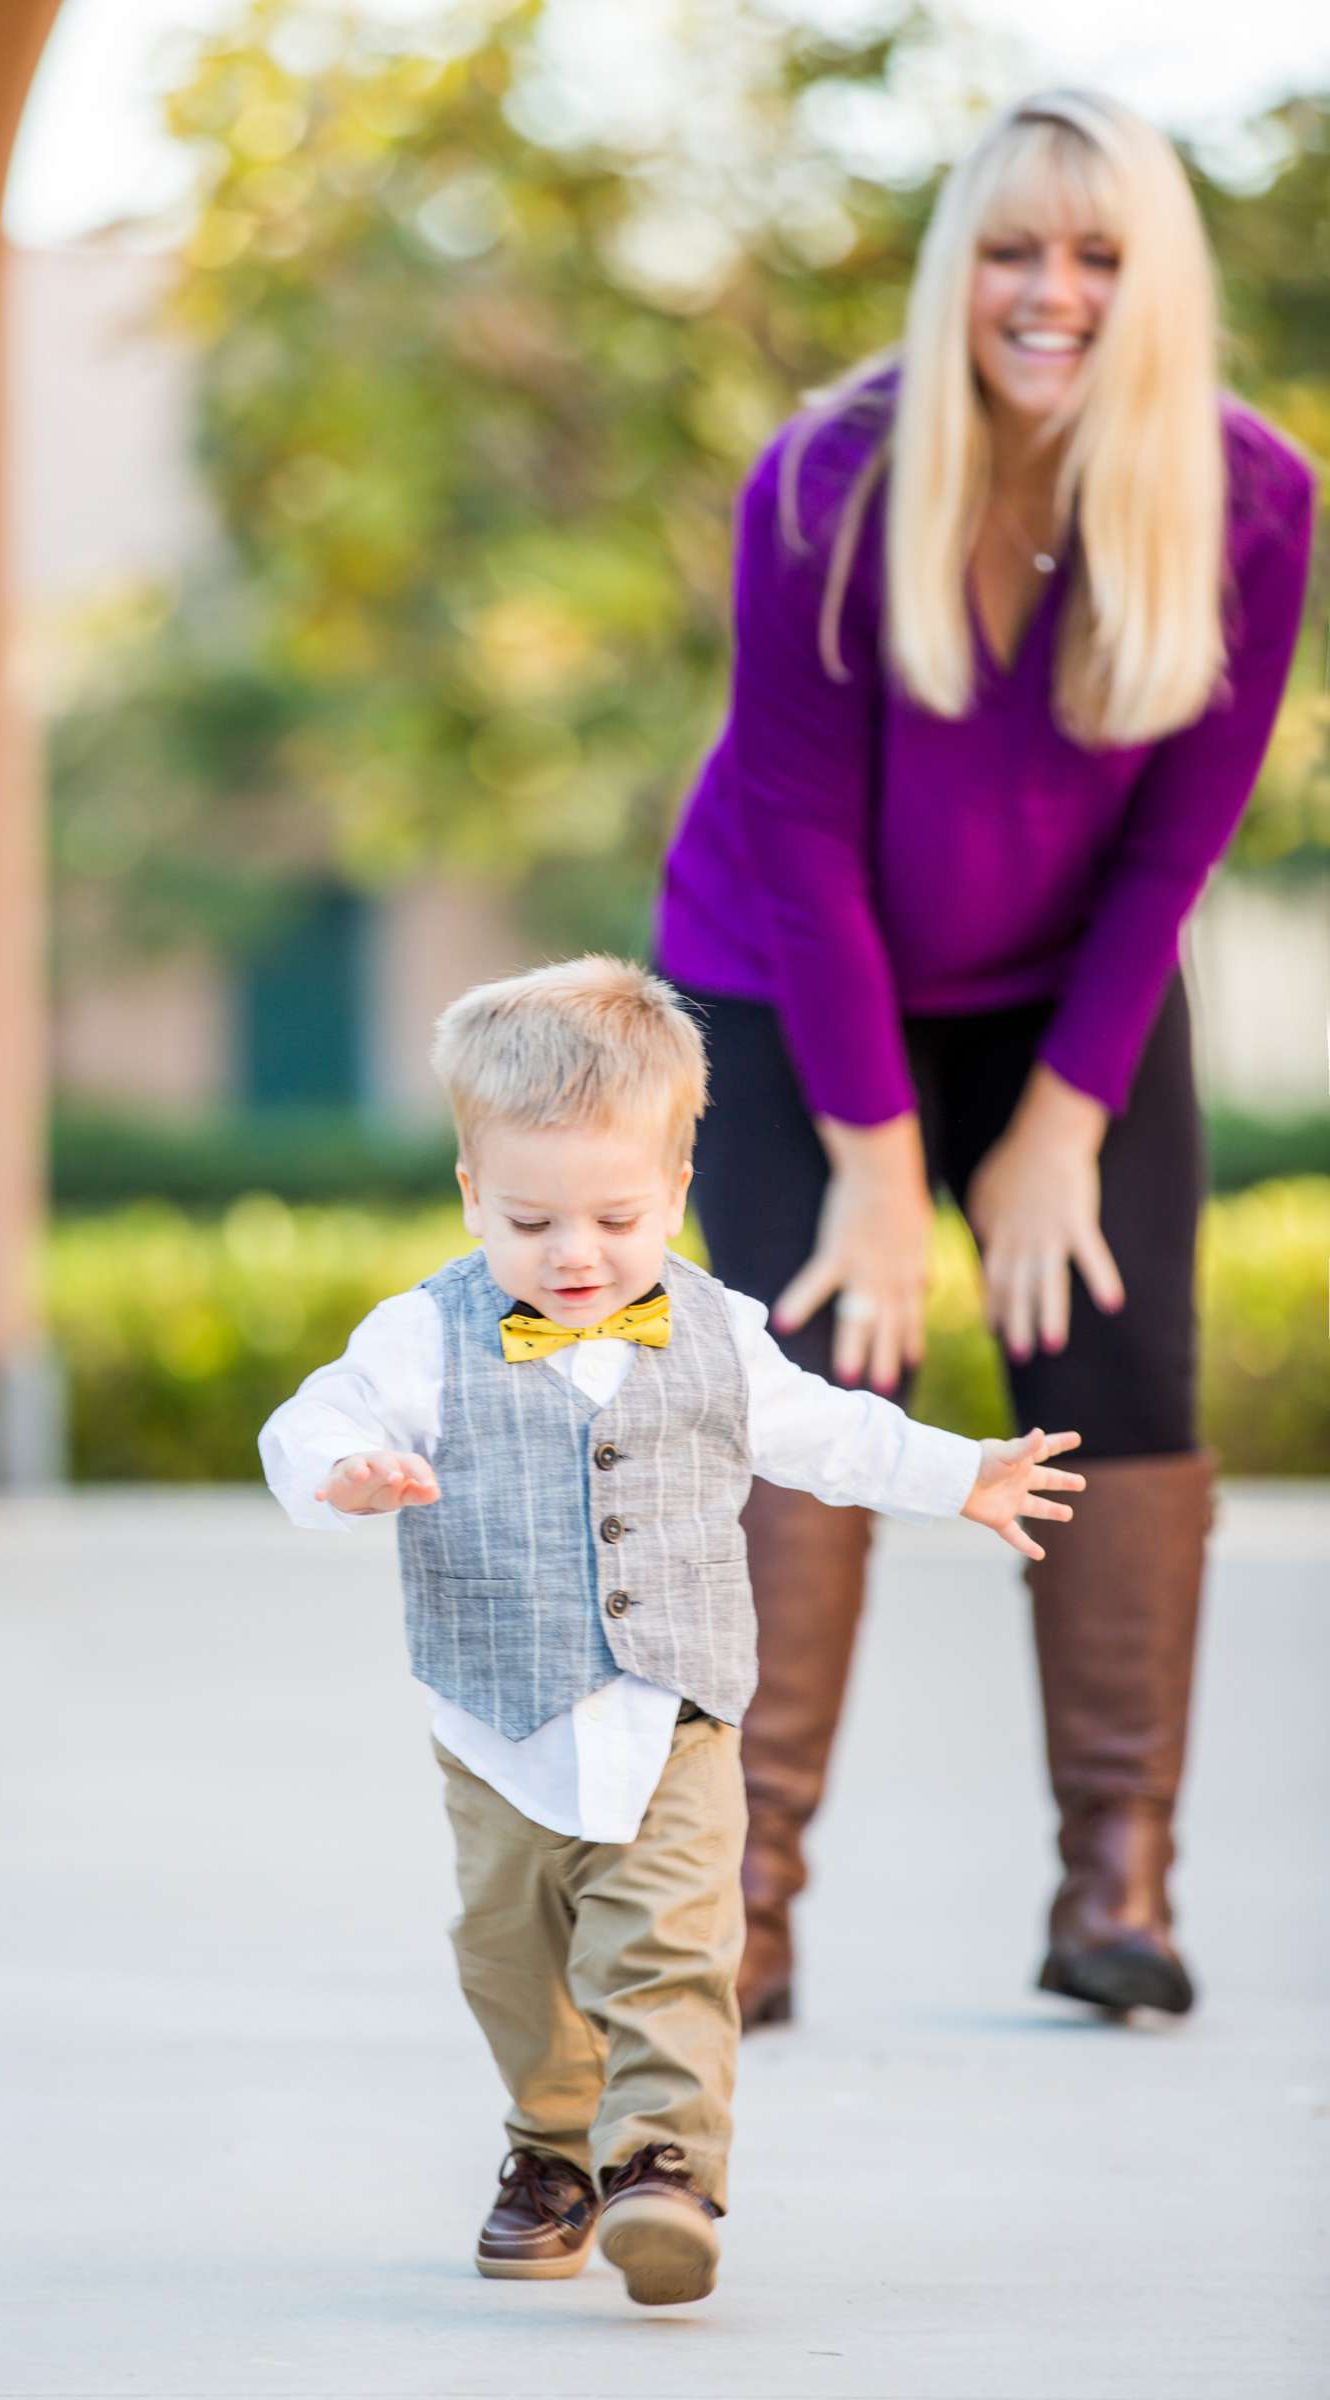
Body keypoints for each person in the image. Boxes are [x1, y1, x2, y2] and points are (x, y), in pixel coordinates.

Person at [653, 90, 1317, 2031]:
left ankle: (1112, 1883)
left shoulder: (1251, 496)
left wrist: (1057, 1122)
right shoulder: (818, 484)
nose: (1051, 295)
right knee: (800, 1376)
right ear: (960, 271)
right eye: (1013, 252)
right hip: (788, 981)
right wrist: (874, 1157)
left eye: (1097, 256)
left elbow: (1174, 839)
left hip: (1064, 992)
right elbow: (793, 830)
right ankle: (741, 1904)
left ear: (1151, 284)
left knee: (1113, 1359)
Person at [259, 956, 1085, 2306]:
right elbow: (313, 1423)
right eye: (527, 1222)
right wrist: (345, 1475)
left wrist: (961, 1473)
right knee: (513, 1965)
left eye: (613, 1217)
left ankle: (665, 2175)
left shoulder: (718, 1332)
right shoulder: (422, 1335)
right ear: (472, 1194)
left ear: (677, 1195)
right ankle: (551, 2153)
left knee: (671, 1958)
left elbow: (829, 1432)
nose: (573, 1254)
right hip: (498, 1733)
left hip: (676, 1721)